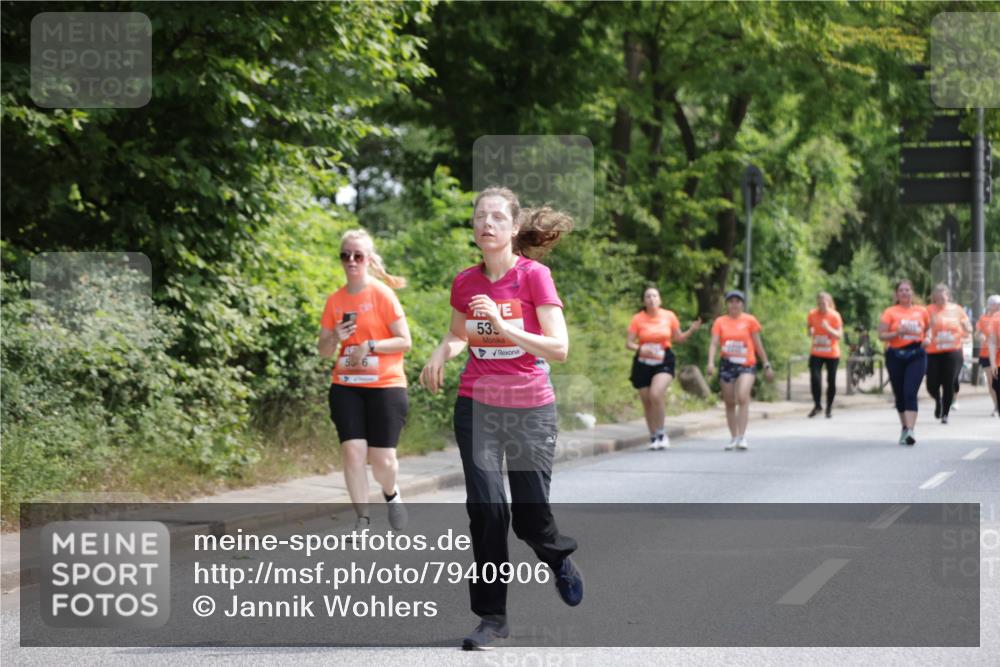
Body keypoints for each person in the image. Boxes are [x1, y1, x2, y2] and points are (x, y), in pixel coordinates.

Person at [419, 187, 582, 650]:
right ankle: (492, 617)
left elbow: (559, 348)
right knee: (487, 509)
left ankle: (557, 557)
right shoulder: (465, 282)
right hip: (478, 405)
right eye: (480, 217)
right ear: (474, 228)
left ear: (513, 228)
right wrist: (441, 352)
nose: (486, 223)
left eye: (496, 217)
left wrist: (504, 325)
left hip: (531, 409)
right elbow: (459, 334)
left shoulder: (535, 276)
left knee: (530, 519)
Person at [318, 229, 412, 533]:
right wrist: (334, 336)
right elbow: (323, 351)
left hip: (385, 385)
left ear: (369, 260)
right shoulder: (335, 300)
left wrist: (370, 346)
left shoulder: (382, 294)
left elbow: (405, 341)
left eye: (358, 256)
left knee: (382, 461)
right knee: (353, 451)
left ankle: (391, 493)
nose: (351, 261)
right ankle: (363, 519)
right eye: (345, 255)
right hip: (346, 385)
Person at [626, 286, 701, 450]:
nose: (651, 299)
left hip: (664, 360)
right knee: (647, 401)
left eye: (654, 296)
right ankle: (653, 436)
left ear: (660, 300)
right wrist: (640, 348)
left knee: (655, 393)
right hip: (643, 362)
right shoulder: (638, 319)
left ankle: (661, 433)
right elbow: (629, 343)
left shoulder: (669, 316)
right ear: (643, 301)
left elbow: (678, 338)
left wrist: (691, 330)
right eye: (648, 296)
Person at [706, 290, 774, 450]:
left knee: (742, 396)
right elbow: (714, 343)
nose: (734, 304)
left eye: (737, 301)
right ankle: (733, 437)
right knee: (729, 401)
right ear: (727, 304)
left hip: (746, 364)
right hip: (727, 364)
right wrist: (710, 362)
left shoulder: (750, 321)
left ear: (742, 304)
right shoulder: (720, 322)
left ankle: (742, 436)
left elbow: (757, 344)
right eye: (731, 301)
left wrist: (766, 364)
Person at [877, 279, 929, 446]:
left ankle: (911, 430)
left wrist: (928, 338)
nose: (904, 293)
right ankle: (905, 428)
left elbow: (930, 329)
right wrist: (896, 333)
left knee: (910, 392)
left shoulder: (922, 311)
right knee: (899, 394)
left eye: (907, 290)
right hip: (896, 355)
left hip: (917, 355)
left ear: (912, 292)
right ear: (896, 294)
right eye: (901, 290)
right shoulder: (890, 312)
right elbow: (881, 335)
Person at [924, 284, 972, 424]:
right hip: (933, 351)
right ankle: (937, 400)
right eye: (937, 298)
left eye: (942, 297)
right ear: (933, 298)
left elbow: (968, 327)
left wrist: (967, 328)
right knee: (931, 384)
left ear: (948, 296)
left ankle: (945, 413)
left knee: (948, 382)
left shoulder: (957, 309)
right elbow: (922, 327)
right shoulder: (928, 310)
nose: (940, 300)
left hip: (953, 351)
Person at [806, 291, 844, 418]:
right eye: (819, 303)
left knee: (831, 381)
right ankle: (817, 405)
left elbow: (839, 335)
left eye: (824, 303)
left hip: (832, 353)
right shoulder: (812, 314)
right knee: (815, 378)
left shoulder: (835, 316)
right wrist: (810, 331)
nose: (821, 305)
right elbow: (809, 328)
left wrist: (828, 328)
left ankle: (829, 407)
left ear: (829, 303)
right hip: (816, 352)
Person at [975, 294, 1000, 416]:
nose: (997, 306)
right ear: (989, 305)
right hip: (986, 354)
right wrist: (981, 336)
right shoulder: (983, 319)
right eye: (995, 304)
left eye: (998, 304)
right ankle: (996, 406)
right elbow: (977, 334)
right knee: (991, 382)